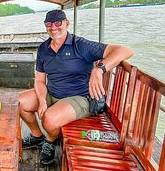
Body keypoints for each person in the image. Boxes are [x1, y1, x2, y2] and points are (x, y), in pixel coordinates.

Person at [19, 9, 133, 165]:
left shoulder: (80, 45)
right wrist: (42, 101)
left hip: (80, 97)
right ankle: (37, 136)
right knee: (19, 102)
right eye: (49, 24)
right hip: (52, 93)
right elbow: (39, 81)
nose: (54, 27)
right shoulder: (43, 49)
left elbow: (125, 50)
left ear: (67, 23)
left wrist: (99, 69)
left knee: (49, 119)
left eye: (58, 23)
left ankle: (50, 141)